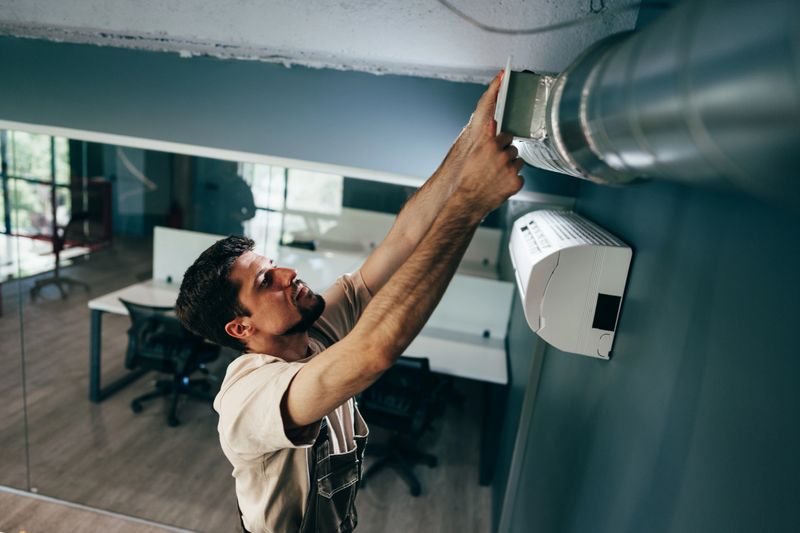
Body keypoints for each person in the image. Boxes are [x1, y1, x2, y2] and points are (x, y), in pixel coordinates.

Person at [175, 71, 523, 533]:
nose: (289, 274)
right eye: (266, 281)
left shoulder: (309, 331)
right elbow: (373, 350)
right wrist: (470, 206)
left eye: (275, 264)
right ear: (240, 328)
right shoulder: (248, 397)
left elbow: (402, 239)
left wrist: (474, 133)